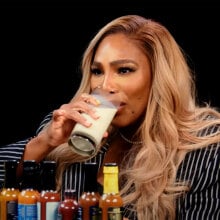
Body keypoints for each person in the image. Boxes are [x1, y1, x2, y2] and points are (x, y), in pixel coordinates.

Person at [0, 14, 220, 220]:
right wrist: (44, 142)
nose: (105, 86)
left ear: (160, 77)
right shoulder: (70, 131)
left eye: (124, 70)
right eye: (97, 71)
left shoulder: (206, 151)